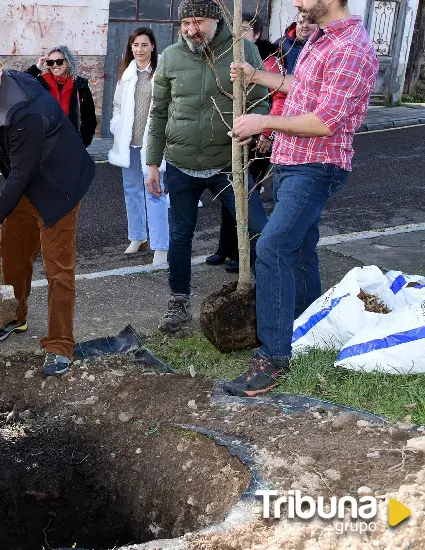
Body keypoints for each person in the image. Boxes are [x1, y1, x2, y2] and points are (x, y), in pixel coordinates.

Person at [224, 0, 378, 396]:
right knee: (301, 247)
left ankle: (273, 359)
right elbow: (305, 89)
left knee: (273, 249)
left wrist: (264, 120)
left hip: (316, 166)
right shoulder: (322, 39)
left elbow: (325, 121)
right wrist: (257, 75)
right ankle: (310, 326)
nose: (297, 3)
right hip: (293, 163)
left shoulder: (351, 48)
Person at [0, 33, 96, 376]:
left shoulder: (26, 109)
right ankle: (14, 317)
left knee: (58, 269)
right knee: (13, 253)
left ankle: (60, 344)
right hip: (23, 183)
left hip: (58, 188)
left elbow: (22, 172)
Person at [146, 0, 271, 334]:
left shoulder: (242, 51)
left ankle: (262, 294)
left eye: (197, 21)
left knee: (257, 227)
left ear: (216, 21)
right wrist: (152, 164)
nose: (190, 29)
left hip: (226, 164)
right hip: (180, 163)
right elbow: (158, 112)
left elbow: (261, 98)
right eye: (184, 23)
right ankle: (178, 299)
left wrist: (257, 129)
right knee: (180, 234)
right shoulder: (171, 57)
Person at [207, 12, 283, 273]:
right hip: (237, 133)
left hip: (259, 136)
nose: (239, 36)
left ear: (257, 34)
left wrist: (267, 133)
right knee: (231, 195)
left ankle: (247, 255)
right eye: (235, 30)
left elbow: (278, 100)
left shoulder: (268, 62)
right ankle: (226, 248)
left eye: (245, 30)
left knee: (247, 200)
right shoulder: (229, 55)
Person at [107, 28, 169, 266]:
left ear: (153, 46)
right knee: (131, 190)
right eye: (135, 45)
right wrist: (116, 125)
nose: (139, 49)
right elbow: (117, 106)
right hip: (129, 144)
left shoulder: (162, 72)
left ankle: (160, 245)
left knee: (155, 192)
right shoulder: (127, 74)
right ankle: (137, 237)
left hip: (153, 144)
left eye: (144, 45)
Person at [25, 45, 98, 147]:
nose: (54, 65)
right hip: (45, 142)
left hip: (70, 141)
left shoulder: (80, 85)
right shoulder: (41, 82)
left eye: (59, 61)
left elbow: (89, 118)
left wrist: (83, 143)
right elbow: (22, 83)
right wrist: (37, 67)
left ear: (67, 62)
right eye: (50, 62)